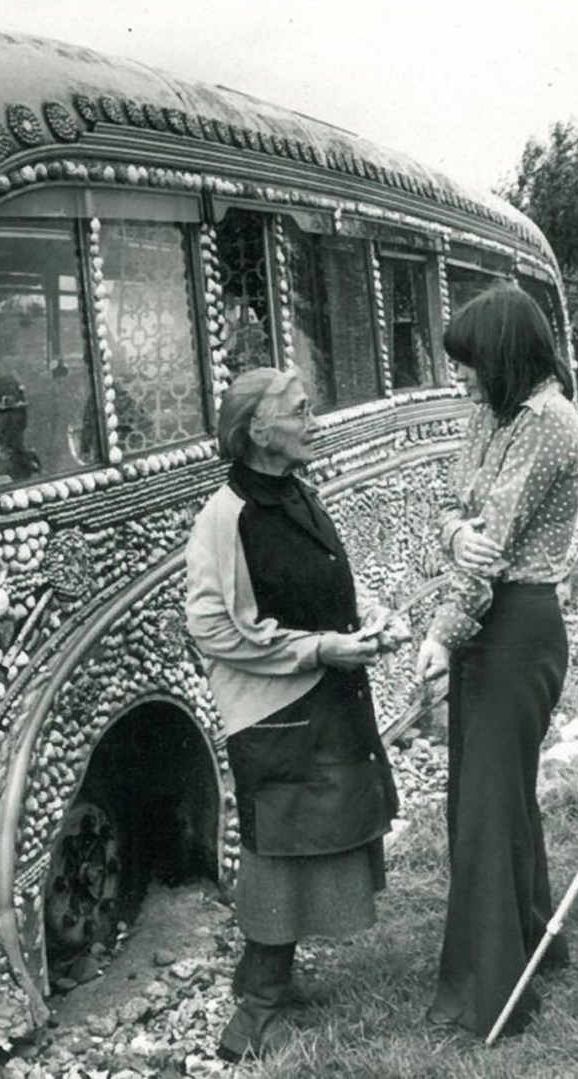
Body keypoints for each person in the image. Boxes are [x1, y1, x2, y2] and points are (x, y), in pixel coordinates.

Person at [185, 366, 409, 1063]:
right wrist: (319, 648)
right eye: (301, 411)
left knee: (309, 839)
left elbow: (326, 579)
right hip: (275, 710)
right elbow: (211, 626)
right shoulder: (227, 516)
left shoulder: (293, 493)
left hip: (318, 696)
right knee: (277, 852)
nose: (315, 421)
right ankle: (253, 1017)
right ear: (257, 431)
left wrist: (366, 617)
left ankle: (269, 983)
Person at [415, 286, 578, 1038]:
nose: (461, 380)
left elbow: (497, 549)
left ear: (504, 356)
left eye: (468, 364)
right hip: (493, 617)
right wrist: (454, 533)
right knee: (494, 799)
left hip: (517, 626)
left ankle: (490, 994)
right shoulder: (497, 411)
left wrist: (441, 635)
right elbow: (453, 508)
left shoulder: (549, 422)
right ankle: (530, 946)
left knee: (487, 808)